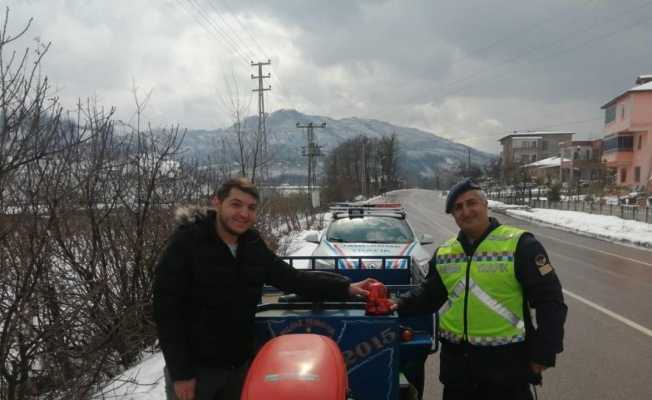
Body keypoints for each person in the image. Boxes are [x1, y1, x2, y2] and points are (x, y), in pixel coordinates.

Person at [153, 178, 375, 400]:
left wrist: (346, 288)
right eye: (236, 204)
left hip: (240, 369)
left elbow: (292, 279)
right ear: (217, 203)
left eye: (251, 207)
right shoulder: (186, 243)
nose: (244, 213)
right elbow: (166, 312)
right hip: (197, 373)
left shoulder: (251, 244)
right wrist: (181, 373)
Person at [392, 179, 567, 400]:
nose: (466, 211)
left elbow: (550, 300)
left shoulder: (521, 245)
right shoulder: (445, 252)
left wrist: (544, 351)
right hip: (457, 372)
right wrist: (398, 304)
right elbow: (429, 296)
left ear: (485, 205)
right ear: (453, 215)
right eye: (458, 207)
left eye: (471, 203)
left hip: (507, 370)